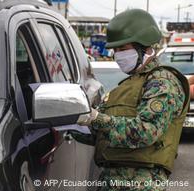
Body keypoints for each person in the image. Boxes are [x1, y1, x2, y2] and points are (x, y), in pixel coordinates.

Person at [75, 9, 189, 190]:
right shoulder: (127, 85)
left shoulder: (162, 82)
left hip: (141, 183)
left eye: (123, 49)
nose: (117, 55)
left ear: (144, 47)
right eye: (115, 50)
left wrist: (97, 118)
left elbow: (147, 132)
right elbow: (107, 134)